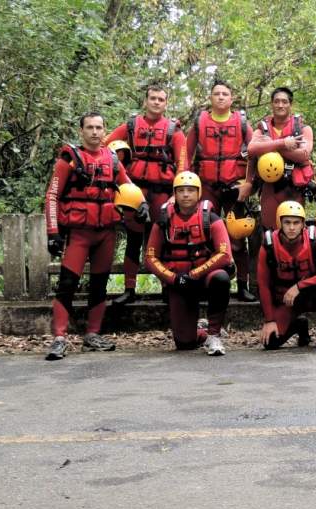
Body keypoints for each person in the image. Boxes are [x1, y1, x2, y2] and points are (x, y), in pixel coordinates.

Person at [44, 112, 137, 360]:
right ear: (81, 131)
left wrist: (142, 205)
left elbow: (129, 189)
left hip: (105, 233)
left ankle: (92, 335)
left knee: (99, 285)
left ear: (105, 131)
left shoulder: (113, 160)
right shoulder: (69, 159)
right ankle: (60, 338)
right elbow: (52, 196)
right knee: (67, 285)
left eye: (99, 128)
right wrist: (53, 232)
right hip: (79, 234)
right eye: (90, 128)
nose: (95, 132)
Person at [105, 84, 188, 305]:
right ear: (146, 101)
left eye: (161, 99)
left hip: (162, 193)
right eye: (153, 98)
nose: (156, 102)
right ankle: (129, 289)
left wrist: (176, 195)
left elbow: (183, 163)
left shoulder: (174, 130)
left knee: (161, 241)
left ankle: (165, 288)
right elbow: (105, 149)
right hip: (134, 192)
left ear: (166, 103)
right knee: (133, 240)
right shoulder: (130, 126)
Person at [145, 171, 233, 355]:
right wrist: (174, 279)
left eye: (191, 190)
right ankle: (200, 333)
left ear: (199, 193)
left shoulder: (211, 218)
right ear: (174, 194)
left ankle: (214, 335)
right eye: (181, 190)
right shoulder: (163, 222)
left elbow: (225, 254)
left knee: (222, 278)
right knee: (184, 344)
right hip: (178, 281)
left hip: (204, 278)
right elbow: (151, 258)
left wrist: (194, 274)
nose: (186, 194)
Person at [186, 79, 256, 301]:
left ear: (231, 98)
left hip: (234, 189)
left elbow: (255, 154)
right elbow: (185, 155)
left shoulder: (243, 123)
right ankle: (207, 282)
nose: (221, 97)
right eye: (216, 94)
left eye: (225, 94)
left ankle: (242, 285)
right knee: (204, 235)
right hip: (206, 187)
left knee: (238, 237)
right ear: (211, 97)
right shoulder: (199, 122)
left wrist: (249, 184)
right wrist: (184, 185)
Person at [257, 201, 316, 351]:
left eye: (296, 223)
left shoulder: (315, 240)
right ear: (279, 222)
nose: (291, 227)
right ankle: (300, 326)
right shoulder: (268, 245)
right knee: (270, 343)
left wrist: (298, 286)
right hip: (285, 299)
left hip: (310, 294)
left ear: (302, 224)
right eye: (287, 222)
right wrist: (269, 320)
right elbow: (263, 284)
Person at [246, 86, 315, 229]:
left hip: (294, 188)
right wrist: (284, 143)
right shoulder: (262, 129)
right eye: (276, 101)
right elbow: (251, 149)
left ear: (291, 104)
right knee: (269, 231)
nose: (280, 105)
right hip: (269, 187)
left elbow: (303, 155)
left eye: (284, 102)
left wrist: (270, 145)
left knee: (294, 233)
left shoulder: (303, 129)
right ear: (271, 104)